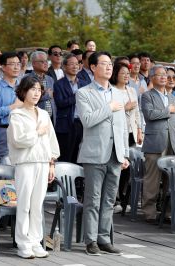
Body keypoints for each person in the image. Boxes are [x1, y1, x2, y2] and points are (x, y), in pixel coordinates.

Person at [76, 51, 129, 256]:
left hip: (115, 155)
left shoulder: (117, 93)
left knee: (109, 200)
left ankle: (104, 238)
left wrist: (124, 154)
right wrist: (108, 107)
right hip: (94, 154)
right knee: (93, 199)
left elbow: (122, 126)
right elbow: (87, 120)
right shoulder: (83, 93)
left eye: (110, 64)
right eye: (104, 64)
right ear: (93, 67)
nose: (109, 67)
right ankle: (90, 240)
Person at [7, 75, 60, 259]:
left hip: (43, 163)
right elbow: (19, 140)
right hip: (25, 163)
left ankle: (36, 241)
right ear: (23, 91)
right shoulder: (16, 114)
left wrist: (51, 163)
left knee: (37, 205)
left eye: (39, 90)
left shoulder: (44, 114)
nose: (36, 93)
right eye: (33, 89)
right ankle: (23, 243)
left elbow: (51, 140)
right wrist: (37, 132)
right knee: (24, 204)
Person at [141, 65, 175, 223]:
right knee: (152, 179)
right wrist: (167, 111)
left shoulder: (174, 97)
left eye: (165, 75)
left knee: (170, 180)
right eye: (159, 75)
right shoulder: (147, 96)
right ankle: (149, 212)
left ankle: (167, 212)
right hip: (155, 142)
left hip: (172, 143)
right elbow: (149, 115)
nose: (163, 77)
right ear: (152, 78)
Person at [110, 62, 142, 213]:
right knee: (117, 165)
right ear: (116, 74)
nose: (126, 75)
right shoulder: (112, 91)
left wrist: (140, 130)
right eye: (123, 73)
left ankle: (124, 198)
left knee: (128, 168)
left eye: (128, 73)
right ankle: (114, 199)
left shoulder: (131, 90)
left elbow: (137, 113)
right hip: (118, 133)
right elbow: (113, 114)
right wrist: (125, 108)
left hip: (132, 133)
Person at [0, 52, 22, 164]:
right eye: (12, 64)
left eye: (18, 63)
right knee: (6, 168)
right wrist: (14, 106)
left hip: (23, 131)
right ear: (3, 67)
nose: (16, 67)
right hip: (4, 132)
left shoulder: (25, 87)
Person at [53, 53, 87, 163]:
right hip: (67, 124)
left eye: (77, 64)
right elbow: (60, 103)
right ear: (64, 66)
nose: (75, 66)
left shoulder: (84, 83)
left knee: (80, 156)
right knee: (66, 156)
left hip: (83, 123)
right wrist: (77, 96)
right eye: (71, 64)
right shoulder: (59, 84)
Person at [26, 51, 56, 125]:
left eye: (46, 61)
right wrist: (47, 95)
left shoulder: (50, 79)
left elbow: (53, 98)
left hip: (51, 119)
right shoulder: (27, 79)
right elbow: (28, 98)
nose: (46, 64)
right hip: (35, 119)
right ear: (33, 63)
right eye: (42, 61)